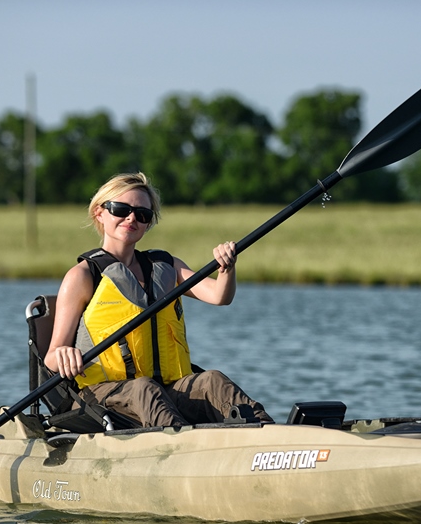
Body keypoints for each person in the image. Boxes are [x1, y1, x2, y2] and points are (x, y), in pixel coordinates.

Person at [44, 172, 273, 428]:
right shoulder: (84, 275)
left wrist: (226, 268)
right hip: (102, 395)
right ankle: (181, 447)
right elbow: (51, 357)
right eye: (121, 209)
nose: (131, 218)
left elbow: (220, 295)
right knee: (144, 389)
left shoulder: (166, 267)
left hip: (166, 389)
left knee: (212, 381)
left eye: (142, 214)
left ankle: (271, 437)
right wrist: (64, 354)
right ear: (100, 213)